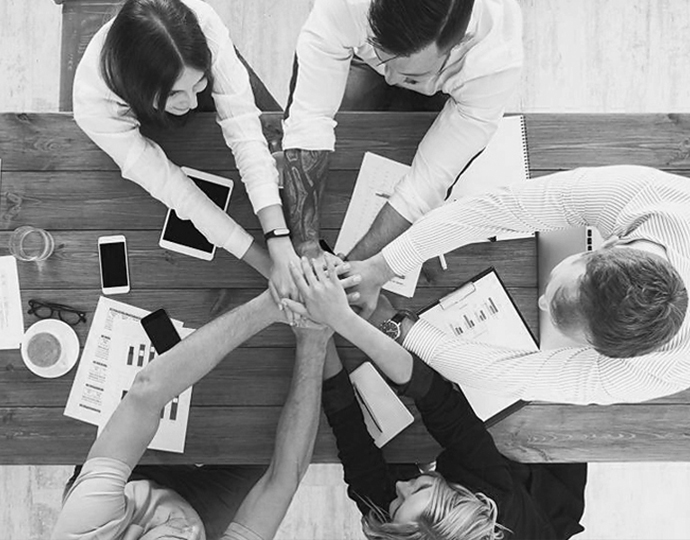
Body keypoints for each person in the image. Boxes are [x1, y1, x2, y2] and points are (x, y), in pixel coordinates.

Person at [283, 256, 587, 539]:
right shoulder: (496, 498)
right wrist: (363, 320)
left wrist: (316, 335)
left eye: (397, 504)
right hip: (546, 493)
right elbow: (439, 401)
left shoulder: (397, 527)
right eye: (419, 489)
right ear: (463, 497)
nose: (401, 487)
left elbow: (353, 445)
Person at [50, 264, 359, 540]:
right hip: (196, 505)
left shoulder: (83, 529)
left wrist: (271, 304)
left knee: (127, 419)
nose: (189, 533)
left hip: (126, 494)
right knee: (263, 457)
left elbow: (145, 394)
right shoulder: (196, 531)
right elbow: (284, 478)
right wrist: (314, 340)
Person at [342, 165, 690, 405]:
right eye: (552, 292)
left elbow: (508, 376)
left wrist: (401, 327)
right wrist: (380, 267)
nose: (541, 302)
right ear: (607, 246)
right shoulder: (647, 197)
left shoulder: (658, 371)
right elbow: (497, 210)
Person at [72, 0, 299, 303]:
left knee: (275, 140)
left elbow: (244, 131)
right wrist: (267, 265)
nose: (192, 103)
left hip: (184, 77)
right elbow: (175, 189)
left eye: (199, 84)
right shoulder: (95, 105)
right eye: (175, 94)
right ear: (138, 89)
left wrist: (279, 239)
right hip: (137, 110)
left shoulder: (201, 23)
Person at [280, 0, 523, 260]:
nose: (391, 79)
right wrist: (306, 245)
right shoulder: (347, 5)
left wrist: (357, 266)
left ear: (459, 43)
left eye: (411, 76)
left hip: (448, 89)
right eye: (383, 52)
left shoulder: (495, 64)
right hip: (362, 54)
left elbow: (424, 185)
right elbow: (309, 121)